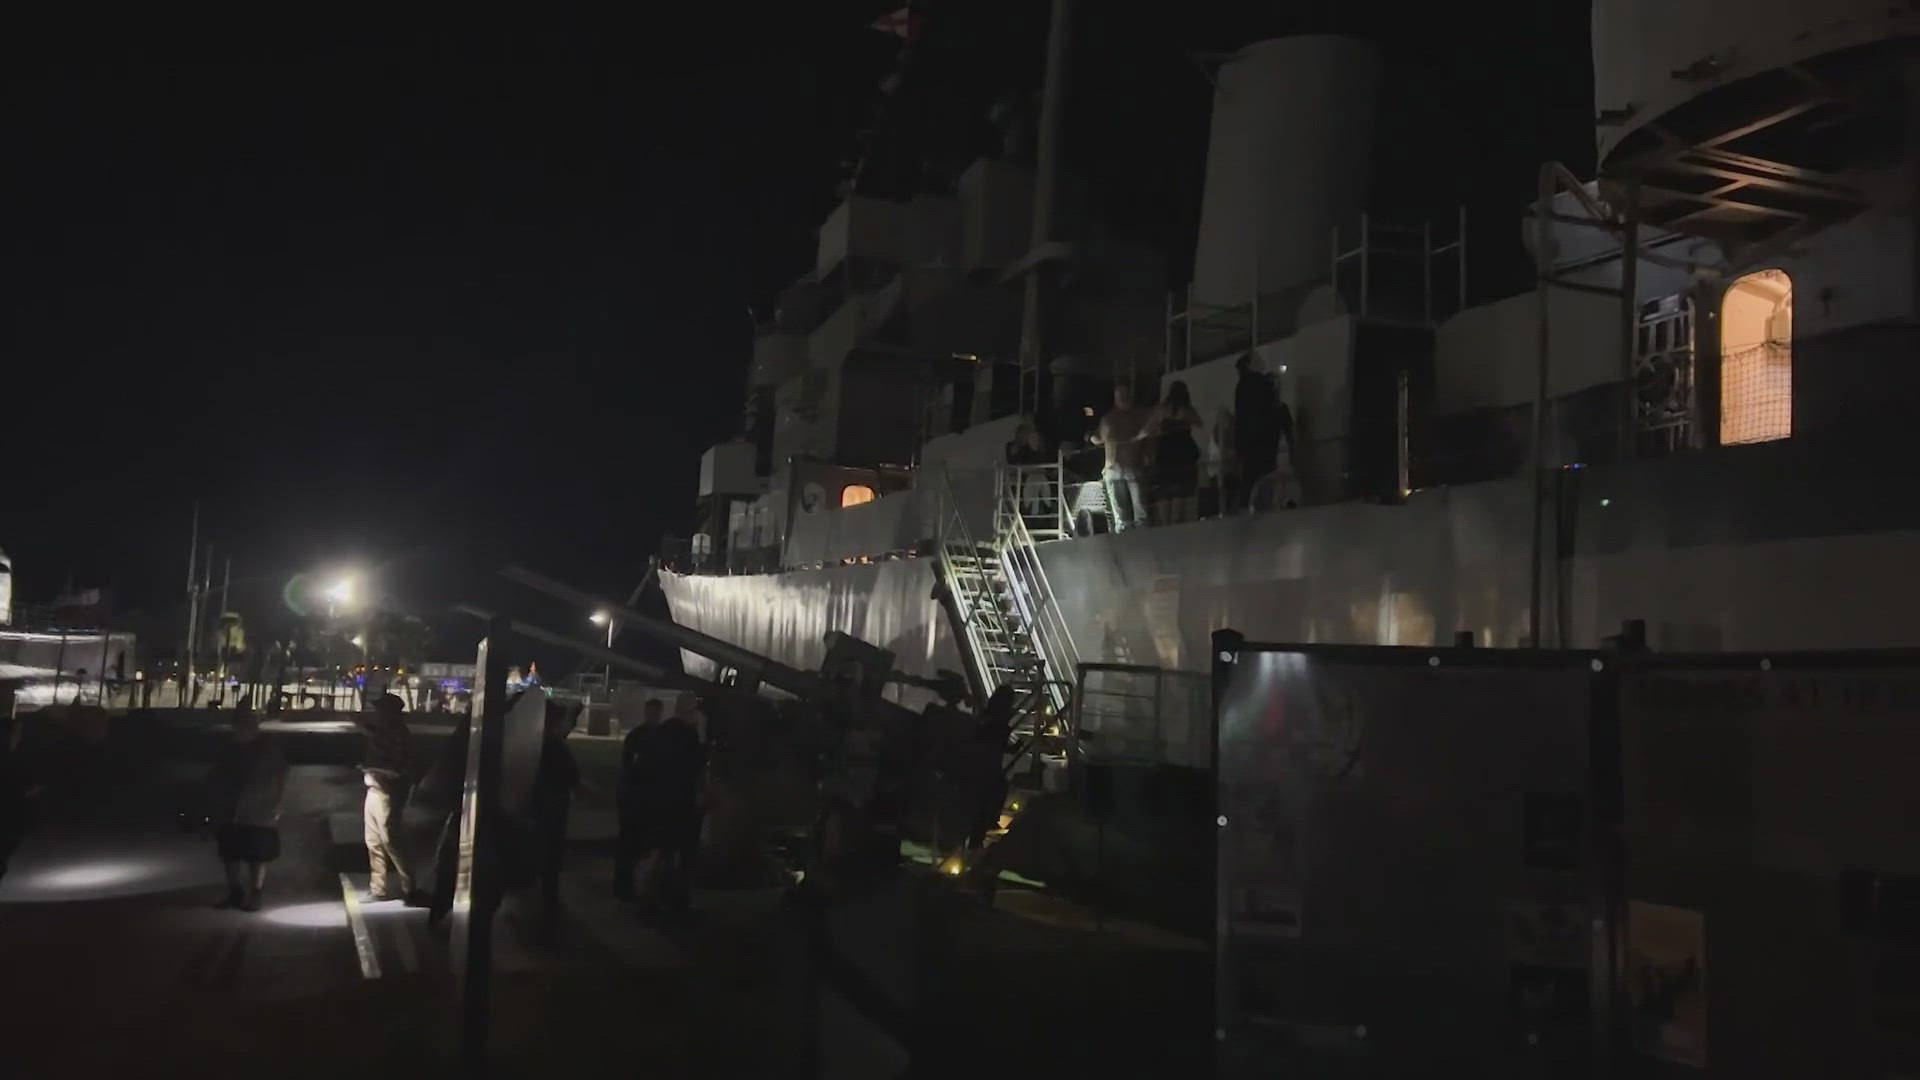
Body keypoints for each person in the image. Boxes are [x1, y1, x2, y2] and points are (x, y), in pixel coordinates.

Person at [622, 693, 708, 914]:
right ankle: (674, 900)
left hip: (655, 803)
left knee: (656, 851)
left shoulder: (657, 734)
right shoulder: (689, 737)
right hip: (679, 805)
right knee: (679, 855)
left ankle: (647, 896)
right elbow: (697, 769)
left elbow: (639, 768)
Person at [203, 706, 288, 911]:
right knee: (231, 852)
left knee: (256, 853)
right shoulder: (230, 748)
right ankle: (237, 891)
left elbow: (280, 776)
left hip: (258, 808)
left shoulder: (266, 749)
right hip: (232, 808)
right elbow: (216, 777)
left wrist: (278, 802)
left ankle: (254, 892)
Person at [356, 693, 414, 902]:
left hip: (388, 792)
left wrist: (371, 768)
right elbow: (373, 733)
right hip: (374, 789)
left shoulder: (398, 735)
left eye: (381, 710)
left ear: (391, 713)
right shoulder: (385, 732)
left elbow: (397, 770)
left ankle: (410, 887)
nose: (377, 714)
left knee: (391, 841)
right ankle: (378, 889)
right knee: (373, 841)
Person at [530, 698, 581, 928]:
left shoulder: (534, 742)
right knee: (550, 861)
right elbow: (572, 777)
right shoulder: (555, 747)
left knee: (537, 856)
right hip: (553, 810)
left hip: (534, 807)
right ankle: (547, 907)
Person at [614, 697, 664, 901]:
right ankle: (626, 885)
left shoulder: (647, 736)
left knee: (636, 843)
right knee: (631, 842)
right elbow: (630, 766)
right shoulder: (641, 737)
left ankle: (631, 884)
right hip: (638, 797)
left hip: (640, 796)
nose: (654, 716)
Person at [1233, 353, 1296, 511]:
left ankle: (1249, 511)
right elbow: (1276, 414)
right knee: (1267, 479)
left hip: (1249, 442)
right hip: (1265, 441)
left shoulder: (1242, 386)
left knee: (1252, 479)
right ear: (1250, 364)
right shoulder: (1261, 384)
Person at [1089, 383, 1150, 532]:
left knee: (1125, 512)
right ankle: (1136, 535)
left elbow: (1096, 438)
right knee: (1136, 510)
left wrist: (1091, 436)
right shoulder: (1137, 417)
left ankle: (1127, 534)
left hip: (1119, 466)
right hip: (1127, 466)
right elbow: (1146, 436)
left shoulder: (1110, 419)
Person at [1148, 380, 1205, 525]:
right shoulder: (1187, 409)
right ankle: (1178, 521)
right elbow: (1199, 423)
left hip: (1165, 453)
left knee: (1165, 491)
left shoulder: (1162, 409)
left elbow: (1150, 428)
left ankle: (1165, 523)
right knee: (1182, 490)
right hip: (1183, 452)